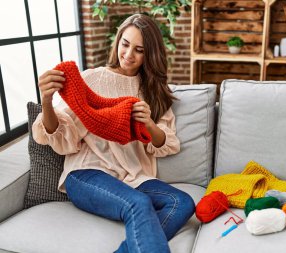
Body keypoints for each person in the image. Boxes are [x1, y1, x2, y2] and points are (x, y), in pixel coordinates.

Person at [32, 14, 195, 253]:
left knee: (182, 202)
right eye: (125, 44)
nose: (128, 55)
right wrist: (46, 100)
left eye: (139, 50)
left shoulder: (153, 92)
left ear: (150, 54)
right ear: (117, 42)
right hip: (87, 174)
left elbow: (166, 144)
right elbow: (62, 134)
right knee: (138, 204)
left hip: (133, 178)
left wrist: (148, 123)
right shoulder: (91, 79)